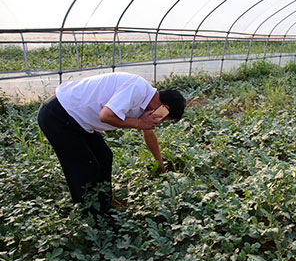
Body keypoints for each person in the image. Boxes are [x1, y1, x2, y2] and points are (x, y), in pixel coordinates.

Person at [37, 72, 186, 217]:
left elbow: (148, 132)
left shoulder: (145, 104)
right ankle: (89, 215)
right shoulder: (137, 89)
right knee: (85, 166)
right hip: (58, 114)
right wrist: (139, 122)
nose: (160, 121)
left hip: (78, 119)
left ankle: (104, 206)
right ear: (165, 108)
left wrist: (160, 164)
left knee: (104, 156)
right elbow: (106, 115)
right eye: (164, 118)